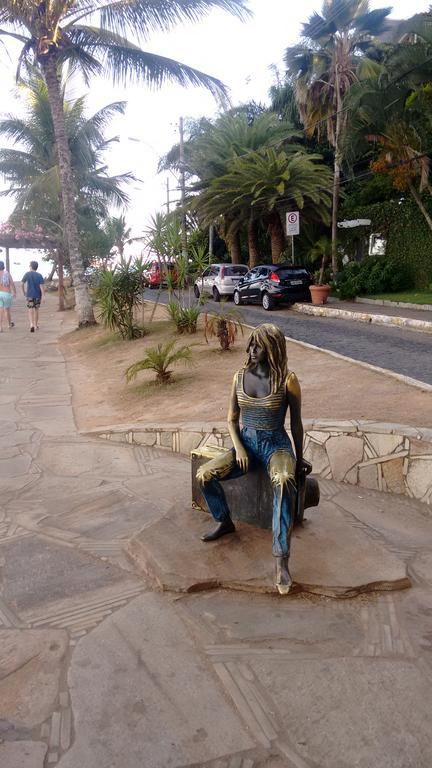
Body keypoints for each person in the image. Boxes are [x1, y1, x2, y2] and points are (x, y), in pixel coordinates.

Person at [196, 323, 305, 595]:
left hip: (276, 446)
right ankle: (224, 521)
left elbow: (296, 426)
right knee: (204, 475)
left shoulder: (287, 380)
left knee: (282, 481)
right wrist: (240, 449)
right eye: (251, 344)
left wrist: (300, 459)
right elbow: (232, 420)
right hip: (246, 444)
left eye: (258, 345)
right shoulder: (239, 376)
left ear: (272, 348)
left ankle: (281, 561)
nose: (251, 349)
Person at [22, 260, 44, 332]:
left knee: (30, 309)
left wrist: (24, 292)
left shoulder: (27, 274)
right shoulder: (39, 275)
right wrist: (43, 296)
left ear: (31, 266)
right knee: (36, 310)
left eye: (29, 265)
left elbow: (22, 284)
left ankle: (31, 324)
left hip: (29, 295)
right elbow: (41, 287)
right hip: (37, 295)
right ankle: (35, 325)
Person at [0, 260, 17, 332]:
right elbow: (12, 283)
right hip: (6, 293)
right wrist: (14, 292)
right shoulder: (7, 273)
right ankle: (9, 324)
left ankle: (0, 327)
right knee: (7, 310)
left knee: (0, 310)